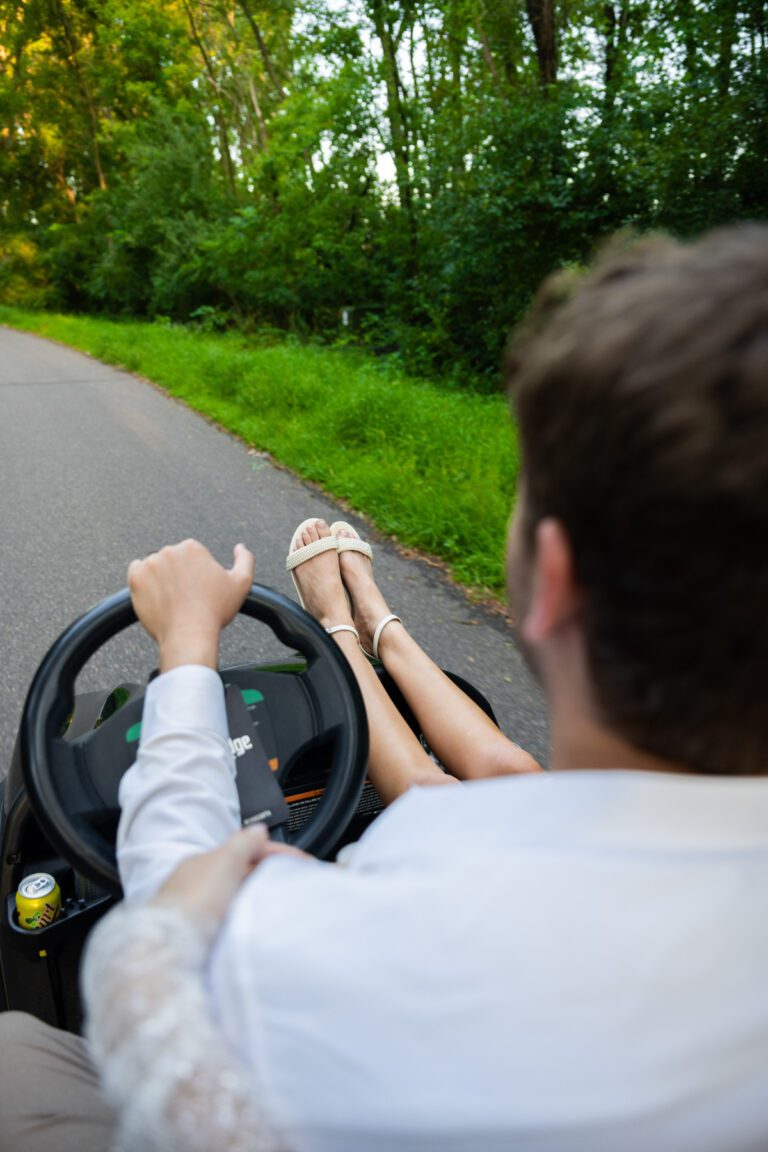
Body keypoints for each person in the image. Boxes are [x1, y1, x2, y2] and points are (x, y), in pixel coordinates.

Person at [2, 222, 768, 1152]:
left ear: (554, 581)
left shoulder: (378, 950)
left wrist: (190, 642)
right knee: (501, 784)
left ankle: (347, 628)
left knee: (15, 1059)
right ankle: (369, 625)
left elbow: (162, 941)